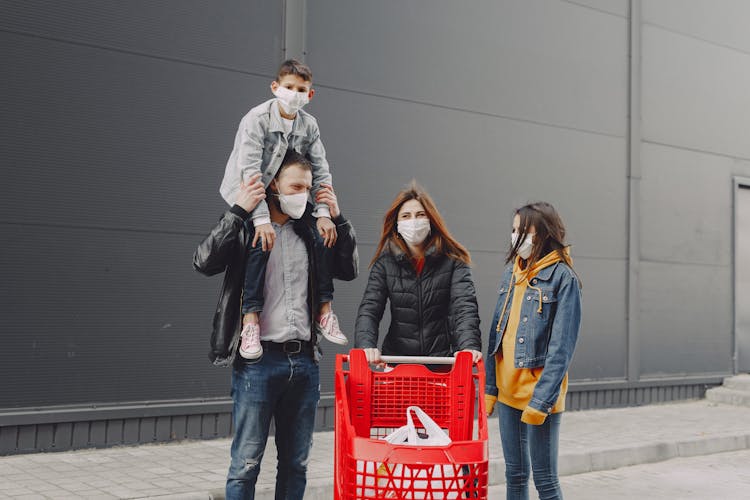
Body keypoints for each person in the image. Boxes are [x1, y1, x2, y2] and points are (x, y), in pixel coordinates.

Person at [193, 150, 358, 499]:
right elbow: (204, 260)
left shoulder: (312, 231)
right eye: (295, 186)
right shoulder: (248, 228)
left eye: (308, 188)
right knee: (246, 465)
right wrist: (238, 211)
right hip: (257, 363)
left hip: (305, 362)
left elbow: (348, 269)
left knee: (296, 464)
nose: (304, 194)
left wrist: (339, 220)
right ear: (272, 186)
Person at [219, 59, 347, 358]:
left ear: (310, 95)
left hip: (289, 192)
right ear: (276, 87)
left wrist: (324, 214)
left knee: (319, 237)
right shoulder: (257, 119)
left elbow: (320, 169)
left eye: (301, 89)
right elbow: (249, 169)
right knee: (258, 244)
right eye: (289, 87)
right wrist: (260, 218)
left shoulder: (309, 124)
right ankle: (250, 321)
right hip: (251, 191)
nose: (294, 94)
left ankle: (325, 311)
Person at [484, 202, 582, 500]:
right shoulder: (510, 274)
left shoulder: (564, 279)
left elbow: (561, 349)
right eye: (514, 230)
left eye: (524, 231)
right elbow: (495, 335)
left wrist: (542, 401)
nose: (517, 237)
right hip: (507, 391)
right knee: (514, 475)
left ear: (545, 234)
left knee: (546, 481)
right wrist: (490, 387)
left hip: (539, 396)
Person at [354, 181, 482, 364]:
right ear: (396, 224)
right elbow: (370, 308)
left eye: (420, 215)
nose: (413, 221)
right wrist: (366, 346)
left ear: (431, 220)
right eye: (406, 216)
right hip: (398, 362)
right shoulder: (385, 263)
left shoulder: (453, 261)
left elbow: (464, 307)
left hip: (441, 362)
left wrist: (468, 346)